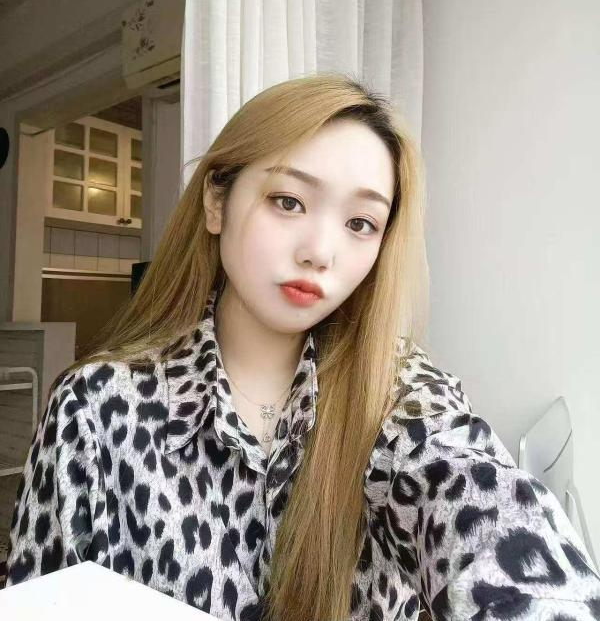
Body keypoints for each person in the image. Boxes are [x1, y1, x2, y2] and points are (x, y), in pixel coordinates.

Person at [4, 73, 599, 621]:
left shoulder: (401, 397)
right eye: (288, 202)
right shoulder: (97, 408)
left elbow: (479, 505)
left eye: (360, 223)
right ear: (217, 202)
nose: (320, 251)